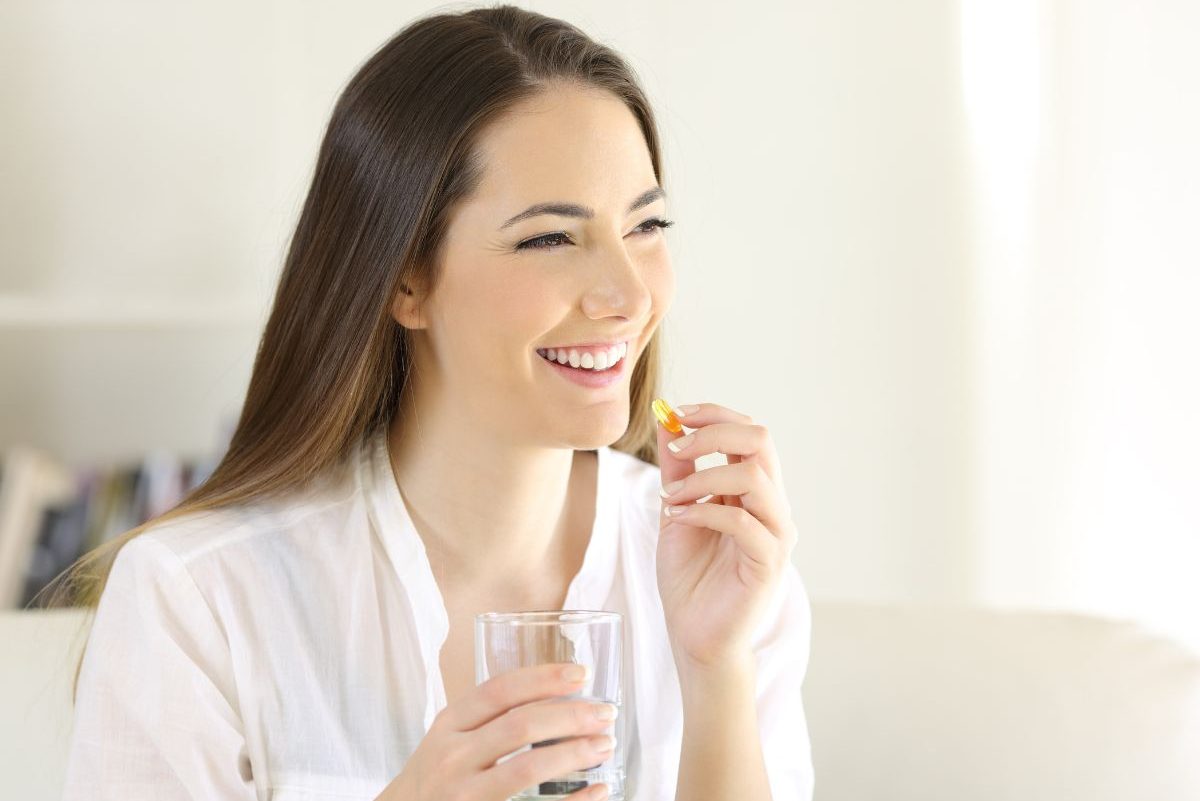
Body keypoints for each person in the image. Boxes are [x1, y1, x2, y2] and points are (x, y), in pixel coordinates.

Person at [53, 5, 814, 800]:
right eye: (550, 238)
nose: (627, 294)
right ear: (406, 279)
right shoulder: (196, 598)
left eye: (647, 225)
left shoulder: (719, 569)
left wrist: (714, 671)